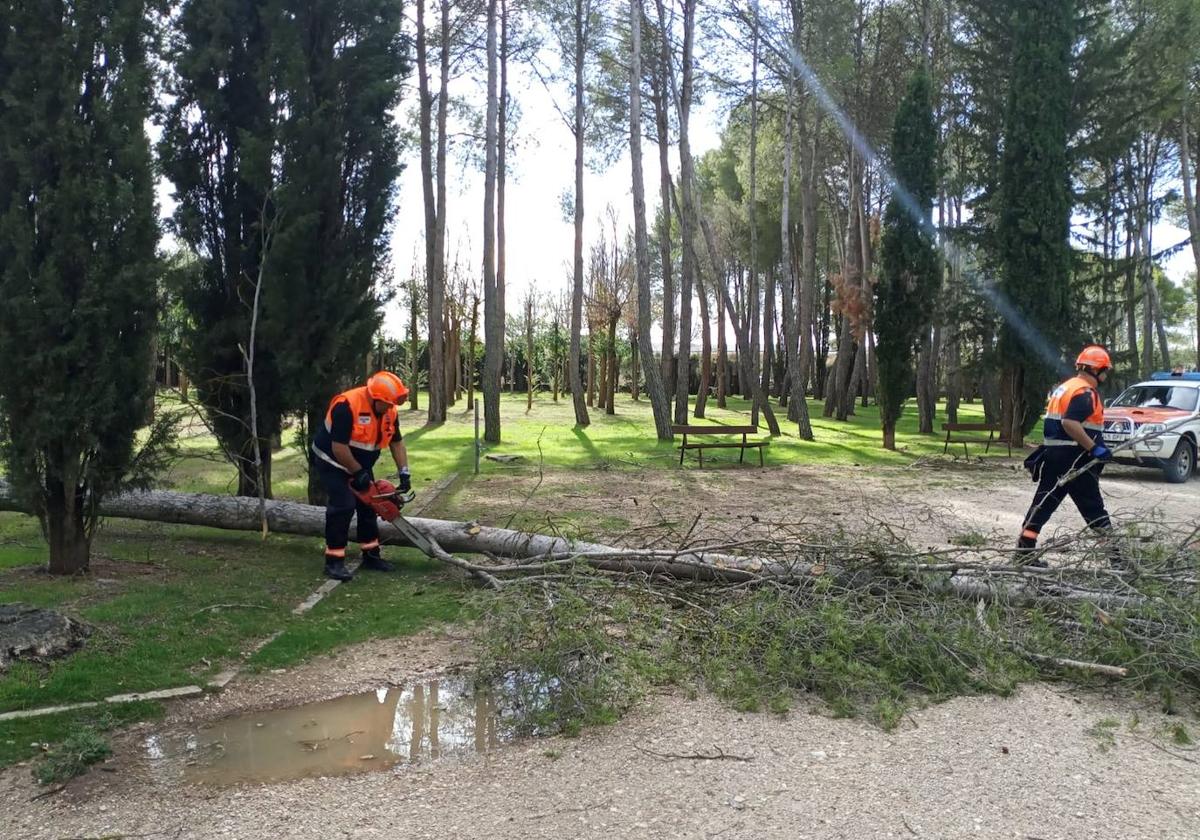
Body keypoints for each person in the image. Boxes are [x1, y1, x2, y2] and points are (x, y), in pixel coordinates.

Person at [1017, 346, 1117, 567]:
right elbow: (1069, 423)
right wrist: (1094, 448)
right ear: (1097, 369)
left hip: (1055, 457)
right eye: (1105, 370)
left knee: (1042, 504)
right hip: (1076, 459)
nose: (1106, 375)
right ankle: (1117, 559)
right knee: (1094, 509)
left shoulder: (1065, 388)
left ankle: (1023, 552)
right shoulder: (1085, 393)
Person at [311, 371, 412, 581]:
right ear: (377, 398)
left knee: (369, 506)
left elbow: (396, 442)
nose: (391, 407)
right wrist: (357, 473)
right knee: (343, 505)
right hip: (332, 461)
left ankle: (371, 555)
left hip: (360, 464)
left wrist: (404, 472)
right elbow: (338, 448)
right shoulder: (346, 406)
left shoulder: (389, 411)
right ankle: (334, 561)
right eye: (389, 403)